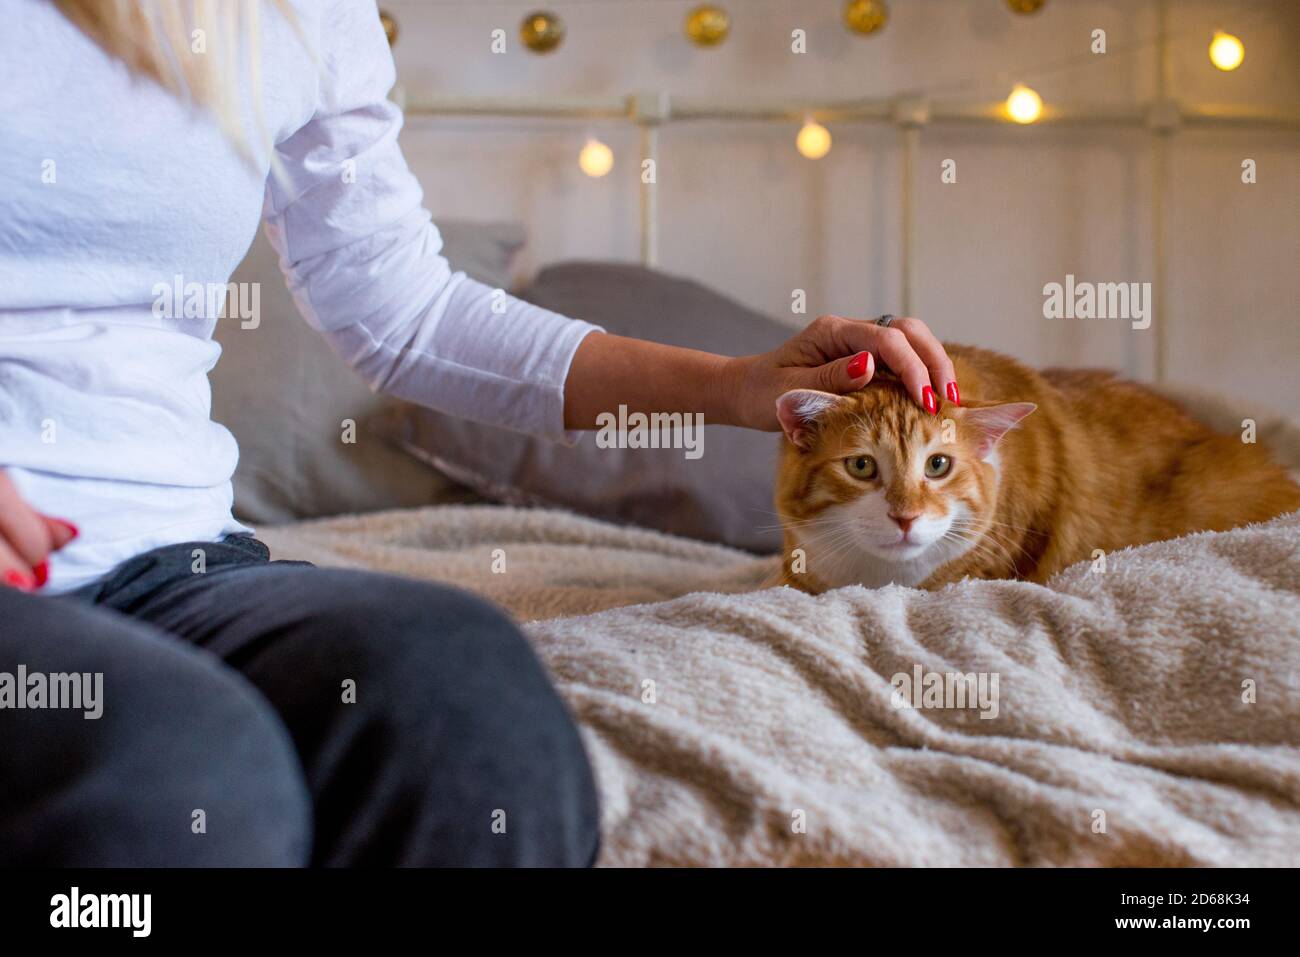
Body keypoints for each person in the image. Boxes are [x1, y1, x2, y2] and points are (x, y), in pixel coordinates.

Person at [0, 0, 957, 866]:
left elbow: (405, 312)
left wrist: (742, 385)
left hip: (173, 563)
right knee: (180, 775)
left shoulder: (296, 16)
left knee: (465, 701)